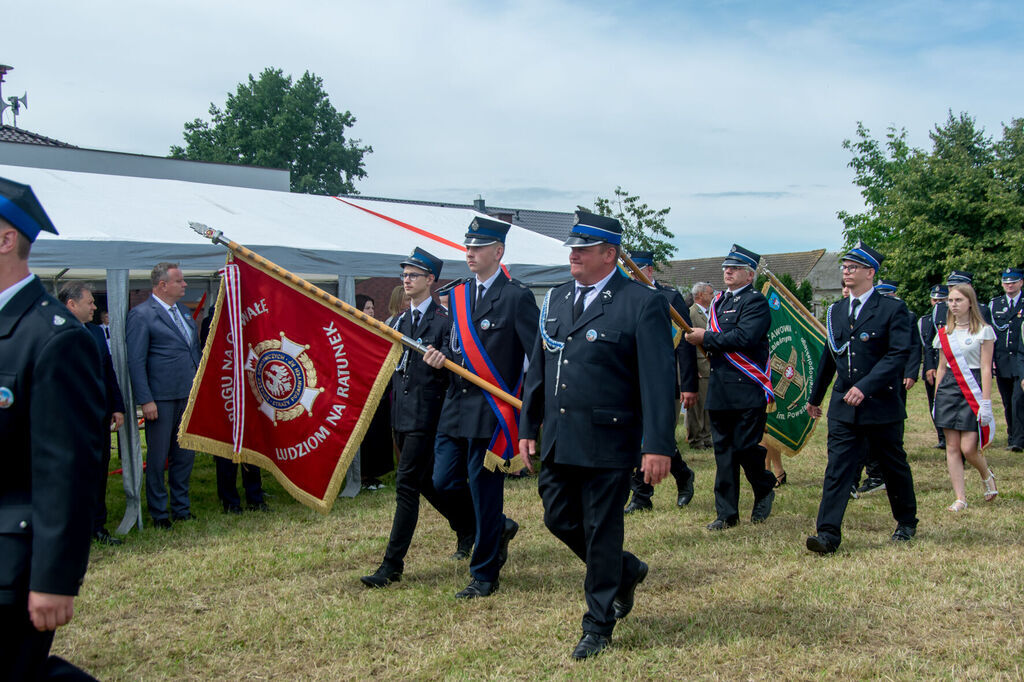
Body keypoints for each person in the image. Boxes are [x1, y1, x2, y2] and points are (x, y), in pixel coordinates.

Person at [518, 211, 676, 660]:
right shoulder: (557, 299)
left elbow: (658, 382)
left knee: (601, 530)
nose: (574, 255)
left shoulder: (640, 302)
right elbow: (539, 368)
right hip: (560, 436)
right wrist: (528, 426)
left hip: (609, 439)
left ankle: (598, 623)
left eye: (583, 249)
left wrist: (658, 444)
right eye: (572, 248)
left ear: (609, 254)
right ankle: (625, 571)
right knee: (557, 518)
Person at [0, 176, 105, 679]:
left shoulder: (53, 338)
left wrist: (54, 577)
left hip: (11, 565)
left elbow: (68, 467)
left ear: (6, 239)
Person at [423, 216, 539, 599]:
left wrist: (529, 414)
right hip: (456, 405)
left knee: (485, 492)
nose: (469, 253)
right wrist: (438, 356)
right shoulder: (456, 294)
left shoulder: (515, 296)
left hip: (492, 410)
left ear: (498, 252)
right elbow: (455, 346)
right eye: (467, 247)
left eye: (477, 248)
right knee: (441, 480)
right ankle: (498, 526)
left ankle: (484, 573)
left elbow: (535, 358)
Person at [361, 248, 476, 588]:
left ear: (430, 280)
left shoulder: (444, 323)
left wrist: (444, 364)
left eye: (414, 275)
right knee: (425, 482)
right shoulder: (397, 322)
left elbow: (459, 375)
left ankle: (391, 565)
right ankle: (481, 527)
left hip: (429, 417)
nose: (406, 280)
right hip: (402, 416)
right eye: (404, 275)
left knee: (407, 486)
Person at [805, 242, 917, 554]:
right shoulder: (837, 310)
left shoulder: (892, 309)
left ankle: (906, 521)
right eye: (844, 267)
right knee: (838, 468)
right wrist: (816, 396)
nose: (846, 271)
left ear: (870, 272)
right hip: (844, 405)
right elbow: (831, 356)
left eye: (853, 267)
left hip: (880, 402)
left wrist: (866, 386)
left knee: (892, 464)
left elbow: (896, 356)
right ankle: (827, 535)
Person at [684, 245, 776, 531]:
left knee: (747, 448)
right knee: (723, 453)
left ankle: (764, 487)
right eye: (726, 267)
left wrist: (706, 337)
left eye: (734, 268)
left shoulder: (756, 302)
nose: (728, 272)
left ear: (749, 274)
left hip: (747, 388)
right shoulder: (719, 302)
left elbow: (745, 337)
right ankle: (726, 514)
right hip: (721, 389)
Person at [126, 262, 202, 528]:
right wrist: (146, 399)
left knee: (184, 456)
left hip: (187, 394)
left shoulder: (183, 311)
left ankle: (181, 507)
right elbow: (136, 361)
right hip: (160, 398)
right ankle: (159, 513)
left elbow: (193, 350)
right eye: (179, 281)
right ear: (162, 285)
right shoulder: (142, 314)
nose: (184, 285)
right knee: (158, 459)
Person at [623, 250, 697, 512]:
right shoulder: (624, 297)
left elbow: (687, 343)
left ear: (649, 270)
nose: (630, 275)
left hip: (661, 382)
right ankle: (678, 476)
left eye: (636, 269)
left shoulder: (669, 297)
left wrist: (688, 385)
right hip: (629, 382)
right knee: (639, 436)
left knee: (654, 436)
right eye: (628, 270)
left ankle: (642, 496)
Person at [59, 281, 127, 544]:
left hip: (98, 418)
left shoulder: (97, 333)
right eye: (90, 302)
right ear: (71, 304)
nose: (95, 307)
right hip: (69, 421)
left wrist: (118, 407)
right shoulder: (53, 332)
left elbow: (108, 371)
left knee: (98, 473)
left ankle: (97, 526)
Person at [933, 283, 998, 510]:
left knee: (969, 448)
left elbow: (987, 368)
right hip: (949, 389)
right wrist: (936, 398)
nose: (953, 305)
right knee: (951, 446)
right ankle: (960, 497)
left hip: (973, 388)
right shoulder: (944, 333)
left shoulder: (983, 330)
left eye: (958, 300)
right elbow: (941, 366)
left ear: (970, 302)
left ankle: (986, 474)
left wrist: (986, 402)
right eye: (950, 301)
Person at [855, 280, 921, 495]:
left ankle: (880, 474)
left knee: (890, 431)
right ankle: (870, 472)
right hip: (866, 381)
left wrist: (911, 373)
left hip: (892, 380)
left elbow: (910, 347)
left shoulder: (904, 315)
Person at [199, 311, 268, 514]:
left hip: (250, 388)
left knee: (252, 444)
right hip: (225, 390)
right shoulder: (212, 316)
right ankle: (230, 500)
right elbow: (209, 354)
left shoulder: (252, 311)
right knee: (227, 448)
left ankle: (255, 496)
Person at [357, 293, 396, 489]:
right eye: (367, 308)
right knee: (367, 436)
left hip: (379, 389)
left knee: (380, 434)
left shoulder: (379, 329)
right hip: (363, 391)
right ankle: (364, 476)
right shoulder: (354, 331)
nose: (371, 311)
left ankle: (374, 475)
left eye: (372, 307)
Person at [988, 267, 1024, 452]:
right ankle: (1012, 434)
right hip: (1002, 359)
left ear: (1021, 283)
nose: (1009, 285)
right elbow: (991, 334)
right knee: (1007, 400)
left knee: (1019, 398)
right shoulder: (995, 304)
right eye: (1006, 282)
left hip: (1021, 359)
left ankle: (1018, 439)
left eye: (1013, 282)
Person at [686, 282, 714, 451]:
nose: (712, 297)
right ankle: (696, 439)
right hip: (699, 367)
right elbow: (687, 343)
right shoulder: (691, 314)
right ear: (700, 295)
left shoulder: (710, 313)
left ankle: (706, 436)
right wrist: (691, 369)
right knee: (697, 407)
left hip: (709, 366)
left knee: (707, 405)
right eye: (710, 294)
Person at [920, 285, 949, 449]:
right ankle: (941, 437)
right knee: (934, 402)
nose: (938, 303)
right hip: (934, 367)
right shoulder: (925, 320)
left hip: (951, 367)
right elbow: (928, 346)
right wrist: (930, 367)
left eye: (942, 300)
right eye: (935, 300)